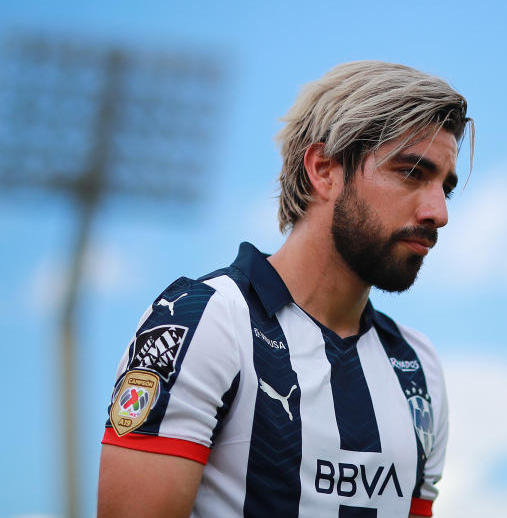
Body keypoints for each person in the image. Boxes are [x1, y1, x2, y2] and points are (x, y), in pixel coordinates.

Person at [97, 61, 473, 518]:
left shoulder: (418, 367)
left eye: (445, 189)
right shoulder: (203, 320)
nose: (438, 212)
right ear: (324, 170)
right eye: (413, 172)